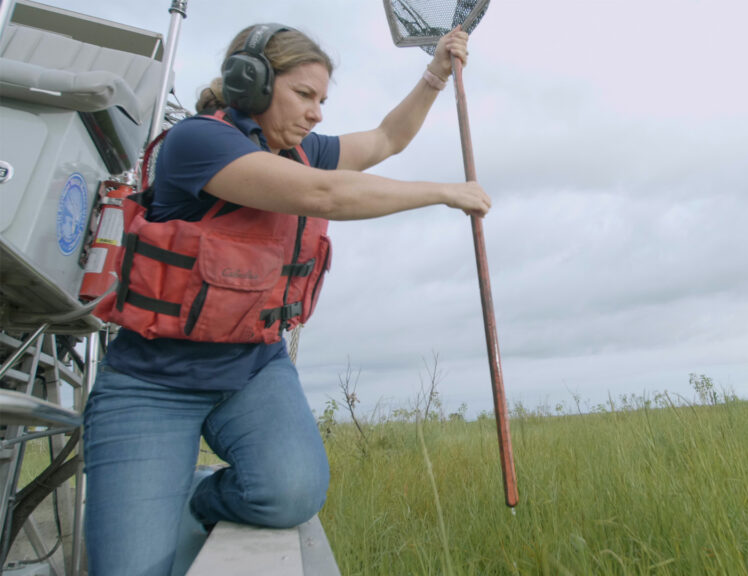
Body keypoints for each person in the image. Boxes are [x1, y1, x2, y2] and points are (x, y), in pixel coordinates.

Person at [82, 22, 488, 575]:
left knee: (290, 495)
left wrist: (435, 74)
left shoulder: (301, 151)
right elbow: (325, 195)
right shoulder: (199, 141)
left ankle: (198, 495)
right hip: (153, 382)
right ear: (250, 82)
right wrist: (444, 192)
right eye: (304, 95)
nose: (317, 113)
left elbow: (387, 139)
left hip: (252, 369)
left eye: (322, 100)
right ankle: (154, 489)